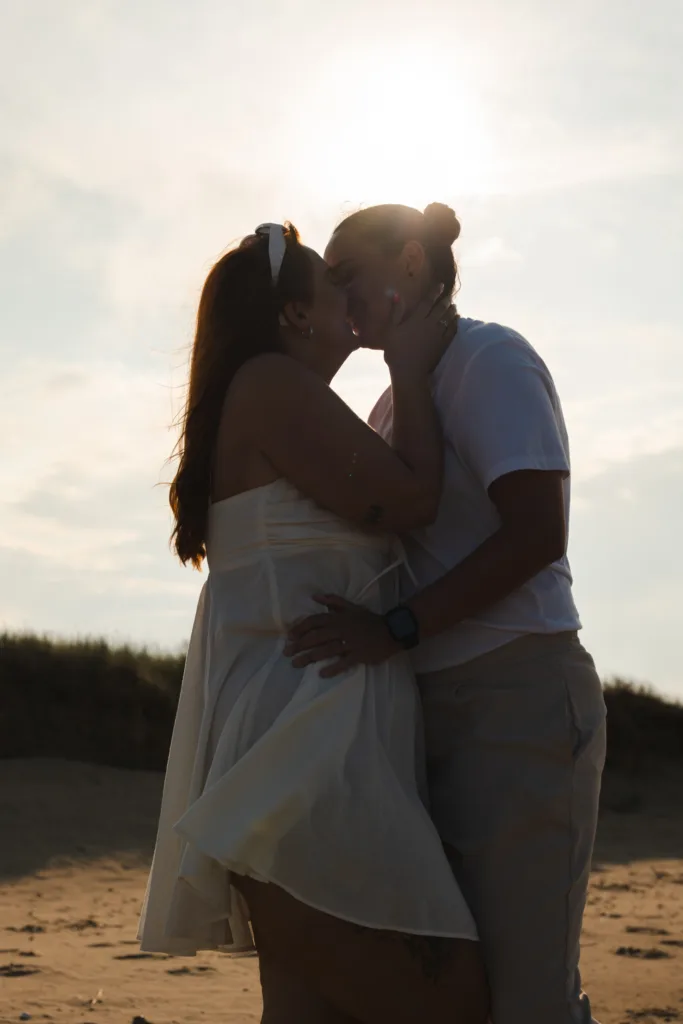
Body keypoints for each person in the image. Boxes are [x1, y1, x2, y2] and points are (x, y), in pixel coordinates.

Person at [138, 222, 489, 1024]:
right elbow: (410, 500)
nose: (352, 299)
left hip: (310, 738)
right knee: (451, 1000)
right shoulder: (269, 384)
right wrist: (408, 361)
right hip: (306, 747)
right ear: (295, 315)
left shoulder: (284, 399)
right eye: (333, 284)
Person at [287, 203, 608, 1024]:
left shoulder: (488, 358)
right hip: (427, 714)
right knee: (452, 995)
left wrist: (394, 631)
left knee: (526, 1000)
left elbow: (538, 531)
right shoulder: (396, 406)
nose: (335, 296)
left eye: (345, 273)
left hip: (517, 702)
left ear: (410, 264)